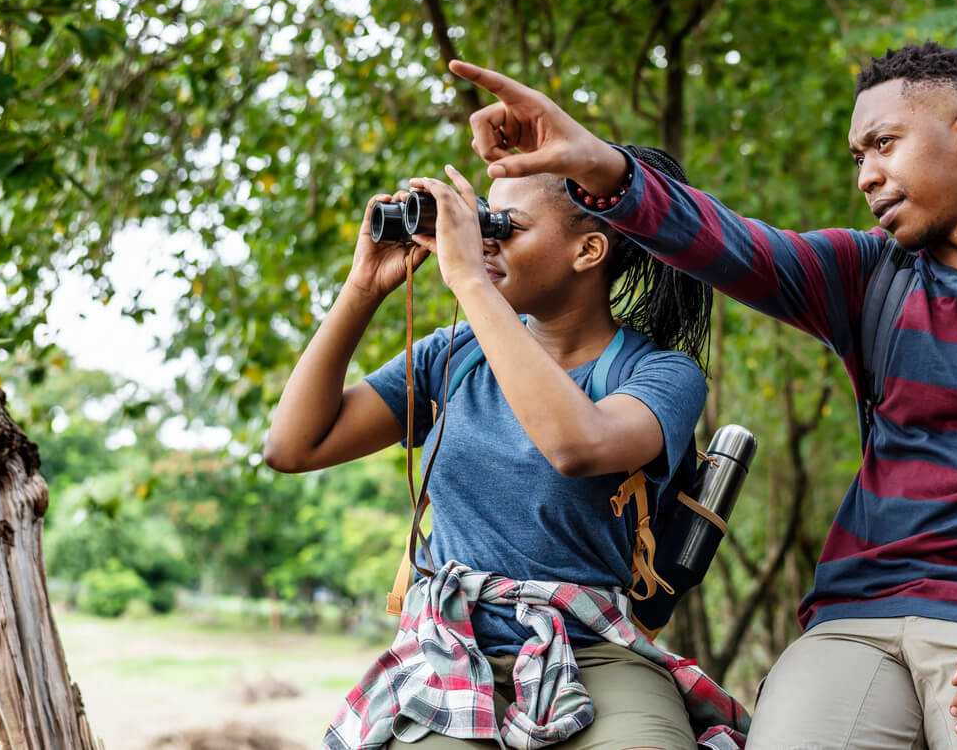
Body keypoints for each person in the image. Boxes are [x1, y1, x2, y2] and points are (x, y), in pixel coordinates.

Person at [446, 42, 957, 749]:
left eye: (884, 143)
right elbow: (729, 244)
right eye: (857, 155)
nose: (866, 174)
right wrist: (602, 169)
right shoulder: (868, 275)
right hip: (856, 626)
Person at [262, 150, 750, 748]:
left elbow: (577, 445)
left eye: (503, 228)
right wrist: (363, 286)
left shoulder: (660, 375)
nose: (483, 242)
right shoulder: (453, 358)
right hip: (452, 646)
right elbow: (292, 445)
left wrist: (468, 277)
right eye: (481, 223)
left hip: (594, 650)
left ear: (587, 251)